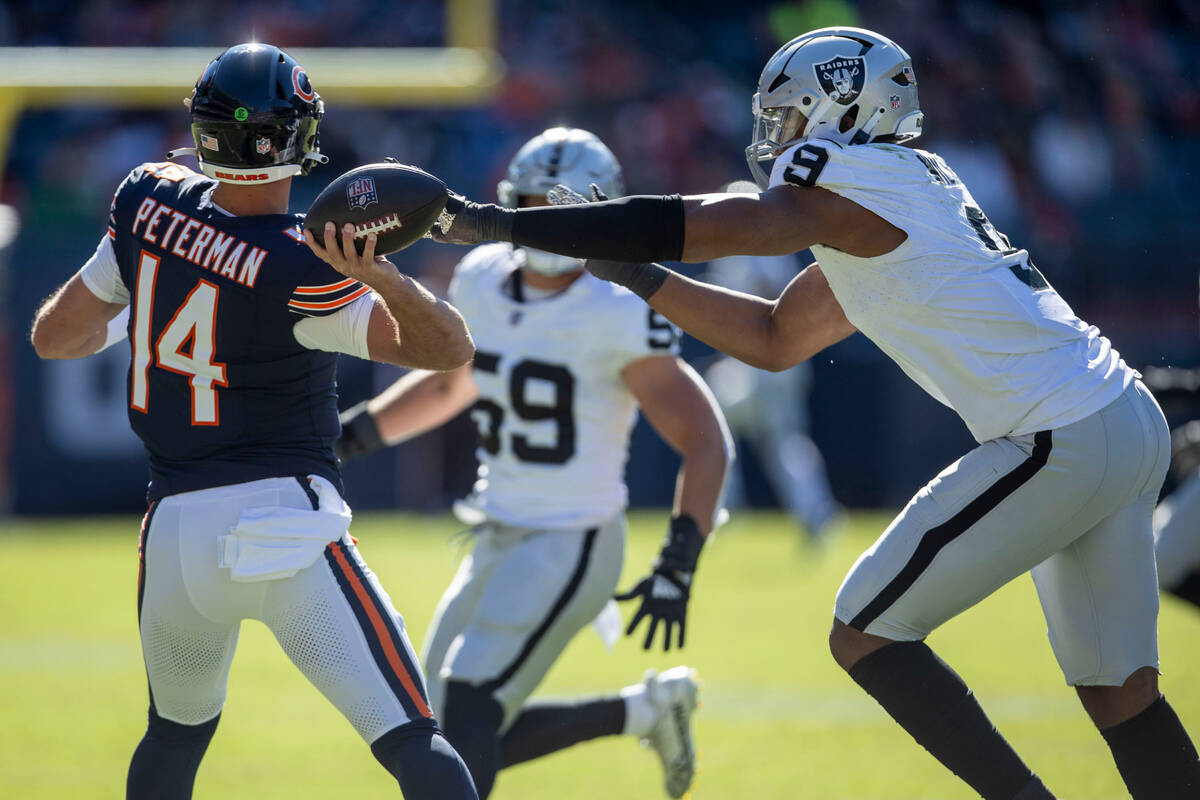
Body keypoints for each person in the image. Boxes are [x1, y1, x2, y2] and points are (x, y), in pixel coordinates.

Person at [428, 26, 1200, 800]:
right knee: (1120, 692)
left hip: (1059, 430)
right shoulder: (894, 196)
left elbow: (733, 224)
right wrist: (631, 271)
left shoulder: (854, 173)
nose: (780, 138)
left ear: (842, 112)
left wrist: (502, 225)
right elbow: (772, 338)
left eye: (792, 117)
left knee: (866, 630)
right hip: (1118, 419)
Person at [29, 43, 478, 800]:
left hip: (171, 532)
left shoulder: (149, 200)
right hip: (285, 527)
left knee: (172, 737)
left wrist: (152, 297)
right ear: (301, 139)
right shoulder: (308, 261)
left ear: (202, 132)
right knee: (411, 739)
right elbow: (448, 350)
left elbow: (55, 336)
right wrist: (384, 277)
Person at [336, 127, 731, 799]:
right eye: (535, 206)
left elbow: (703, 436)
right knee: (431, 727)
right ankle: (644, 711)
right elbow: (447, 382)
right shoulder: (482, 276)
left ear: (604, 208)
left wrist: (680, 558)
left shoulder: (618, 304)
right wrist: (350, 436)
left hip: (572, 536)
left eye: (567, 210)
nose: (549, 226)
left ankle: (643, 710)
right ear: (509, 201)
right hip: (497, 527)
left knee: (466, 705)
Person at [700, 198, 842, 541]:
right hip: (763, 361)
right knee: (761, 435)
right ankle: (813, 511)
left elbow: (771, 298)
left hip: (766, 360)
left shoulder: (759, 246)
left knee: (730, 430)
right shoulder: (752, 244)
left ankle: (724, 509)